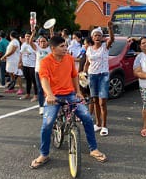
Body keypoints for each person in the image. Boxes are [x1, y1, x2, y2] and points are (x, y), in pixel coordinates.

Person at [30, 35, 108, 168]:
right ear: (53, 48)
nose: (65, 48)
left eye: (66, 45)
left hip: (70, 94)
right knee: (47, 124)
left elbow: (74, 76)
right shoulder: (45, 62)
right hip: (53, 96)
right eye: (62, 46)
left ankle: (93, 149)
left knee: (87, 118)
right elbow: (44, 80)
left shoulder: (69, 59)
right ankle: (44, 154)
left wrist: (78, 92)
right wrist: (49, 95)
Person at [84, 22, 115, 136]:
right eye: (95, 35)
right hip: (92, 76)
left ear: (102, 37)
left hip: (103, 76)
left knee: (102, 102)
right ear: (92, 37)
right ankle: (97, 123)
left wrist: (110, 28)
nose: (97, 37)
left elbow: (111, 39)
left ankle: (104, 126)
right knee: (95, 101)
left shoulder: (105, 47)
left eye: (99, 35)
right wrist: (83, 73)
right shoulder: (89, 49)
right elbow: (87, 63)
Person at [32, 32, 52, 115]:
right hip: (38, 71)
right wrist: (33, 33)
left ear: (47, 42)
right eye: (41, 41)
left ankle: (49, 105)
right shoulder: (37, 49)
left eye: (44, 41)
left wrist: (51, 31)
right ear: (38, 42)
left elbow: (53, 40)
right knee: (40, 89)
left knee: (48, 89)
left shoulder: (50, 49)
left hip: (48, 72)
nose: (42, 43)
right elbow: (30, 42)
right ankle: (41, 107)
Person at [20, 30, 38, 101]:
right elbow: (21, 54)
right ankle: (27, 94)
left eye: (29, 36)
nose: (27, 37)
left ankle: (36, 95)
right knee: (27, 80)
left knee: (34, 81)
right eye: (26, 36)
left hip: (33, 65)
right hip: (25, 65)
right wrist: (20, 62)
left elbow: (37, 55)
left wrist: (37, 64)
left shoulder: (35, 45)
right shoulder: (23, 45)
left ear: (32, 37)